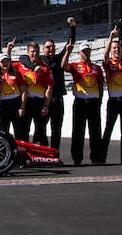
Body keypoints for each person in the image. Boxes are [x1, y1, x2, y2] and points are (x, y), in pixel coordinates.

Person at [61, 41, 104, 166]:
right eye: (84, 51)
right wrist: (68, 52)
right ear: (80, 53)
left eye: (88, 51)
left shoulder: (97, 68)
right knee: (78, 131)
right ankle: (77, 158)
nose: (86, 53)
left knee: (95, 131)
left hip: (93, 102)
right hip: (80, 101)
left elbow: (100, 84)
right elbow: (64, 66)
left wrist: (99, 99)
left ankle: (96, 157)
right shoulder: (75, 66)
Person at [100, 27, 122, 165]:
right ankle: (102, 156)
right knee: (108, 128)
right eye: (114, 48)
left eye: (118, 48)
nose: (116, 50)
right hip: (113, 100)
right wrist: (111, 37)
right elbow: (105, 55)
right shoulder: (109, 64)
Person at [42, 17, 76, 150]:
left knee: (56, 130)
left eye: (52, 47)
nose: (50, 49)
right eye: (48, 47)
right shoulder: (40, 61)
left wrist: (73, 27)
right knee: (41, 129)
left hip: (57, 99)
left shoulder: (58, 58)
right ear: (43, 49)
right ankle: (44, 154)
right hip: (44, 100)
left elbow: (70, 43)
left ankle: (55, 154)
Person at [11, 41, 54, 145]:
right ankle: (23, 156)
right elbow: (7, 65)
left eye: (37, 52)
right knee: (23, 130)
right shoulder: (20, 65)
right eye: (32, 52)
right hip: (25, 102)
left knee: (40, 130)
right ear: (28, 52)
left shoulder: (44, 67)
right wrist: (9, 51)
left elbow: (49, 87)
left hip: (39, 102)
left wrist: (46, 105)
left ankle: (40, 157)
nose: (34, 54)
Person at [0, 53, 25, 137]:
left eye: (7, 61)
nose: (5, 63)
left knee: (19, 131)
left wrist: (22, 106)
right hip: (4, 104)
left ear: (10, 62)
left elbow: (23, 91)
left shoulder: (17, 74)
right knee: (3, 131)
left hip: (16, 102)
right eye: (3, 62)